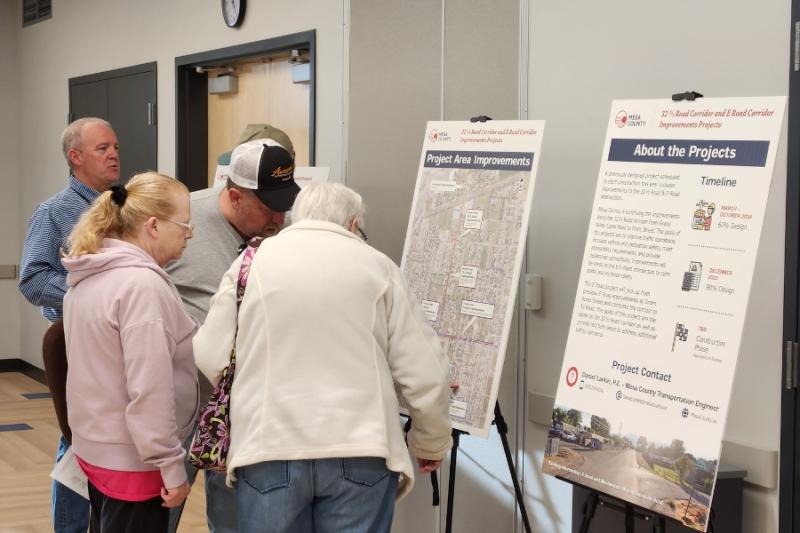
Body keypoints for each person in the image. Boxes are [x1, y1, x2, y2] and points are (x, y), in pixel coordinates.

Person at [194, 182, 453, 533]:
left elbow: (210, 352)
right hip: (363, 448)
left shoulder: (251, 264)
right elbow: (425, 373)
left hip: (269, 445)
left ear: (295, 217)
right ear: (352, 223)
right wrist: (430, 441)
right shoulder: (378, 267)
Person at [166, 135, 300, 533]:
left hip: (247, 410)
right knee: (161, 511)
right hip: (182, 404)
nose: (280, 218)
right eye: (268, 207)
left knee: (233, 520)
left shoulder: (289, 228)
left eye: (285, 204)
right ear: (235, 195)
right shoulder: (182, 220)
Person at [61, 172, 198, 532]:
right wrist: (170, 465)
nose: (190, 234)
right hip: (134, 461)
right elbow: (149, 389)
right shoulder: (141, 286)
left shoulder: (89, 273)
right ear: (153, 226)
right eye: (184, 224)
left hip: (96, 448)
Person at [18, 117, 119, 533]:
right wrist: (93, 295)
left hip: (122, 344)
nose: (113, 154)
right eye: (102, 148)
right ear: (75, 158)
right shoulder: (54, 213)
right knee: (76, 442)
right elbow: (33, 279)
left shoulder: (128, 206)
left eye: (115, 146)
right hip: (75, 344)